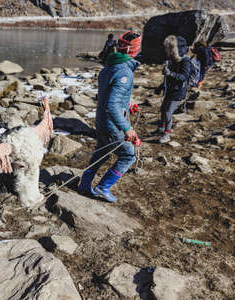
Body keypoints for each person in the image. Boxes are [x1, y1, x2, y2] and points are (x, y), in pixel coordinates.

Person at [78, 31, 141, 203]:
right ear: (133, 51)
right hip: (112, 124)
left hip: (101, 121)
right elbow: (112, 105)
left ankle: (84, 185)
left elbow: (108, 97)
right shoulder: (125, 73)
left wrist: (127, 105)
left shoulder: (109, 67)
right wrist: (127, 128)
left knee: (102, 153)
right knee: (128, 156)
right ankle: (103, 187)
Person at [155, 35, 190, 144]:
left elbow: (184, 77)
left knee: (168, 112)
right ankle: (161, 127)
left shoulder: (185, 61)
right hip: (170, 89)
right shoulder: (172, 60)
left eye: (168, 48)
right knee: (163, 108)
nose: (166, 51)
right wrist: (161, 86)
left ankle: (167, 134)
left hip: (178, 90)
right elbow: (169, 78)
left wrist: (170, 73)